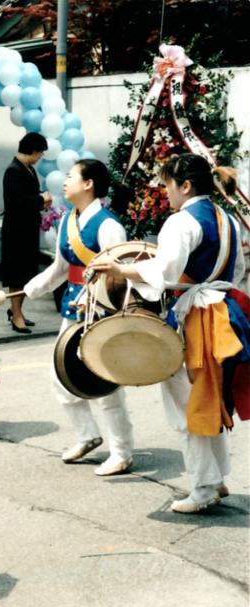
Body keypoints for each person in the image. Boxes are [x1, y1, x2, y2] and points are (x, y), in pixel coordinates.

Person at [90, 154, 249, 513]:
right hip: (222, 312)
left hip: (195, 317)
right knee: (209, 394)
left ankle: (203, 486)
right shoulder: (225, 218)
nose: (166, 193)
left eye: (167, 185)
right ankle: (216, 477)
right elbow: (237, 270)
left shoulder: (181, 222)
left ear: (185, 185)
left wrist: (121, 269)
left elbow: (165, 272)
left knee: (186, 403)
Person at [23, 160, 135, 474]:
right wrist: (30, 289)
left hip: (100, 313)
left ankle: (122, 451)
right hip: (72, 309)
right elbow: (61, 268)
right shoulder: (69, 220)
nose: (65, 181)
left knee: (104, 383)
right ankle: (88, 435)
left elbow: (117, 277)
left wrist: (97, 300)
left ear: (88, 184)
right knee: (60, 376)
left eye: (71, 176)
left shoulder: (109, 225)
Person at [2, 133, 52, 333]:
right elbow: (18, 203)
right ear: (32, 151)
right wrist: (41, 199)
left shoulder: (28, 169)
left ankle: (16, 310)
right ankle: (16, 315)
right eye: (39, 153)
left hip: (28, 229)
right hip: (16, 231)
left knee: (25, 274)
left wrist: (40, 199)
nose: (40, 157)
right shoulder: (13, 171)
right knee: (17, 275)